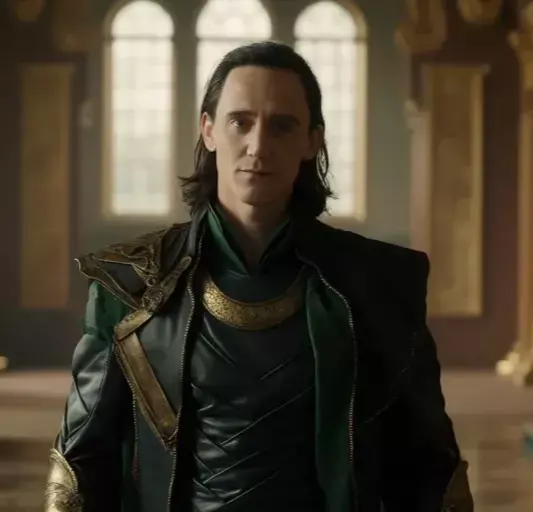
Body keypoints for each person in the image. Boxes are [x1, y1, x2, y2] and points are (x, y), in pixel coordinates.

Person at [44, 41, 473, 512]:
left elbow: (430, 466)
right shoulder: (128, 284)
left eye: (282, 125)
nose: (258, 146)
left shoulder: (380, 284)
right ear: (208, 130)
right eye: (240, 122)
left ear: (312, 140)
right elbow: (80, 464)